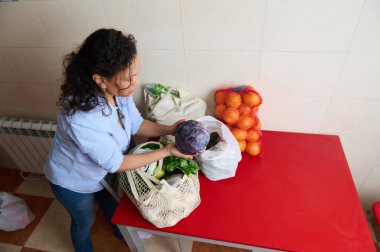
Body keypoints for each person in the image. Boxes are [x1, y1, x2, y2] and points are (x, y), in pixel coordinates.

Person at [43, 28, 192, 252]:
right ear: (101, 80)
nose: (136, 82)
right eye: (129, 78)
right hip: (73, 180)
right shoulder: (80, 118)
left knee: (110, 202)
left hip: (102, 170)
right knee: (84, 221)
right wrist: (169, 150)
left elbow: (136, 123)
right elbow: (118, 163)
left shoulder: (117, 92)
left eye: (136, 74)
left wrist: (169, 128)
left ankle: (120, 233)